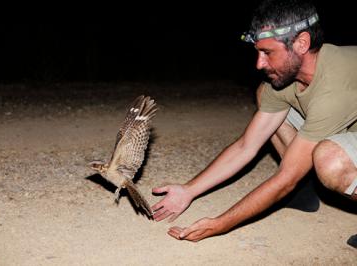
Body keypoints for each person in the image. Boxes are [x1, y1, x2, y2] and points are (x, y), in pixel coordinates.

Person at [151, 0, 357, 247]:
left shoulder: (335, 86)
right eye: (258, 52)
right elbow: (247, 146)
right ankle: (305, 189)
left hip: (339, 104)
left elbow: (285, 178)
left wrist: (221, 223)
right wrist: (189, 190)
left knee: (330, 159)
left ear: (301, 43)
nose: (259, 63)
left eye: (268, 53)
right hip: (342, 119)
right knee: (264, 94)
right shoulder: (288, 79)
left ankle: (305, 174)